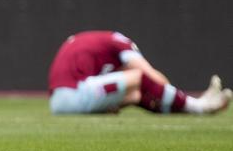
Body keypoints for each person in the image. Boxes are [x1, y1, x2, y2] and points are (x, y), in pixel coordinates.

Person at [49, 30, 231, 114]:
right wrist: (181, 97)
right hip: (74, 93)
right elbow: (150, 76)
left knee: (135, 94)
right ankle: (199, 106)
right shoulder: (121, 43)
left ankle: (188, 109)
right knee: (139, 78)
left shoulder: (95, 46)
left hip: (59, 102)